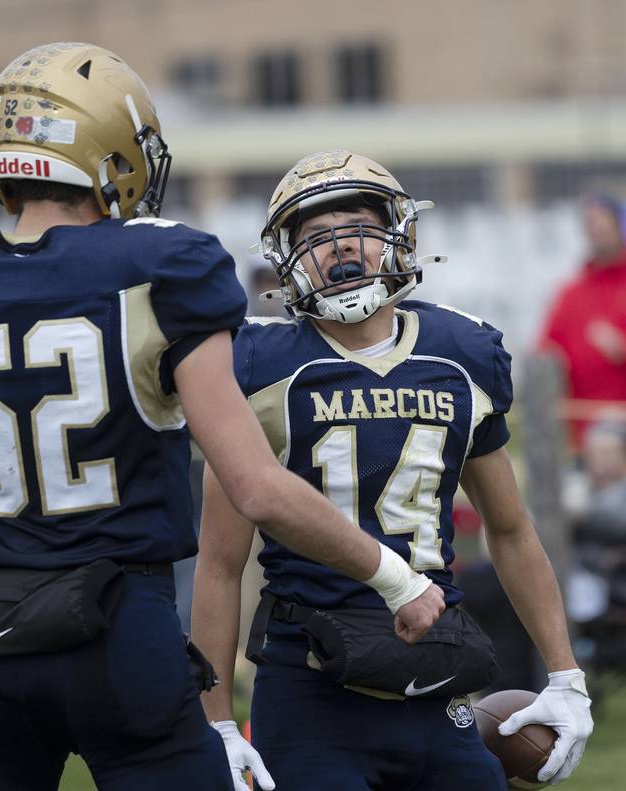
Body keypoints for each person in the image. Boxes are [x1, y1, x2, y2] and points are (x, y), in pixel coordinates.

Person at [0, 48, 444, 791]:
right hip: (124, 638)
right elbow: (255, 486)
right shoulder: (160, 264)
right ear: (104, 148)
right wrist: (398, 579)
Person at [192, 150, 594, 790]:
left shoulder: (462, 355)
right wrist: (214, 722)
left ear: (400, 237)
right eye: (315, 238)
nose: (339, 248)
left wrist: (566, 675)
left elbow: (511, 530)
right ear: (286, 259)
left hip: (438, 668)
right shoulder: (256, 366)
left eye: (356, 227)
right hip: (309, 682)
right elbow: (218, 563)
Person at [540, 193, 626, 450]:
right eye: (589, 224)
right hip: (583, 436)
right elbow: (546, 348)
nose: (595, 230)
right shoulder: (571, 292)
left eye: (602, 222)